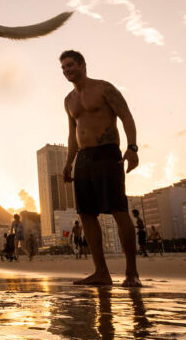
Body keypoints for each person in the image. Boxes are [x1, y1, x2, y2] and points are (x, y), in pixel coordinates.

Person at [59, 49, 141, 287]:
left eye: (71, 65)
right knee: (86, 214)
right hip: (83, 158)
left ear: (83, 64)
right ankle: (101, 272)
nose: (67, 70)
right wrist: (68, 162)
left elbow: (126, 116)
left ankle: (131, 273)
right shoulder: (68, 100)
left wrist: (133, 147)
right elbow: (72, 134)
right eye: (63, 67)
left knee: (118, 209)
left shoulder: (104, 88)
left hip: (107, 152)